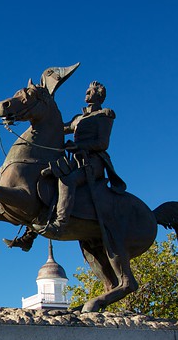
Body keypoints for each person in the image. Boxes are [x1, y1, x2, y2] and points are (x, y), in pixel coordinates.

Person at [42, 80, 125, 236]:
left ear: (100, 96)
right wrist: (44, 108)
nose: (87, 92)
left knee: (68, 181)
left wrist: (78, 146)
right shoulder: (77, 119)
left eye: (91, 91)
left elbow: (102, 143)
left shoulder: (104, 114)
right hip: (75, 162)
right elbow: (57, 128)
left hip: (93, 162)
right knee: (46, 177)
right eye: (87, 90)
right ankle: (29, 233)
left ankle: (60, 223)